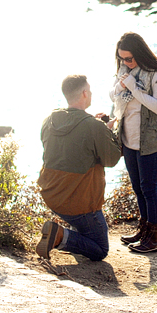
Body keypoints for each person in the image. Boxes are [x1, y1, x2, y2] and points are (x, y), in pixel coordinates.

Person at [36, 74, 121, 261]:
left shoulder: (49, 120)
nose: (90, 94)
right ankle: (59, 235)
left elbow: (71, 144)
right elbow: (112, 159)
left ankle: (69, 232)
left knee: (82, 228)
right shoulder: (94, 127)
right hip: (79, 203)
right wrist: (108, 132)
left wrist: (97, 127)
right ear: (84, 93)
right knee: (100, 249)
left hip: (52, 194)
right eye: (89, 91)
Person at [109, 32, 157, 253]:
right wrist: (122, 85)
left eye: (129, 58)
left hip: (151, 139)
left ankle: (152, 240)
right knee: (137, 187)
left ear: (140, 53)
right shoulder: (125, 71)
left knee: (148, 188)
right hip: (128, 137)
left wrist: (134, 89)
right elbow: (113, 95)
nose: (125, 62)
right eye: (122, 58)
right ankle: (143, 231)